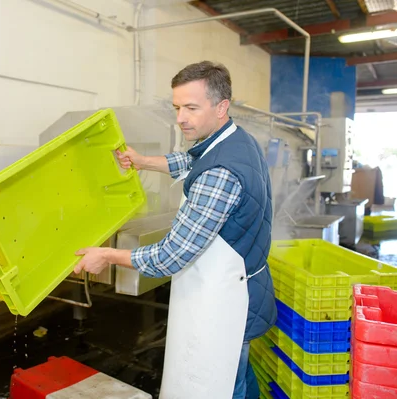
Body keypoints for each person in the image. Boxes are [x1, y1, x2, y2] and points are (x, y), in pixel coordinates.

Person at [73, 61, 277, 399]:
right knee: (237, 377)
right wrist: (143, 161)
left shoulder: (220, 172)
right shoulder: (236, 141)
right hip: (241, 290)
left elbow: (170, 256)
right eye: (177, 107)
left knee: (222, 387)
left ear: (221, 107)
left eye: (191, 108)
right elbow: (193, 161)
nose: (181, 117)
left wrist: (107, 254)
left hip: (225, 304)